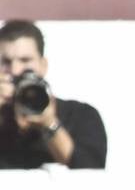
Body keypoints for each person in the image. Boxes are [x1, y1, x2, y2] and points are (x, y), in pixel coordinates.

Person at [0, 19, 106, 169]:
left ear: (43, 65)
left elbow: (91, 173)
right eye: (6, 62)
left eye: (25, 60)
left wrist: (49, 124)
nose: (16, 70)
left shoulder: (80, 115)